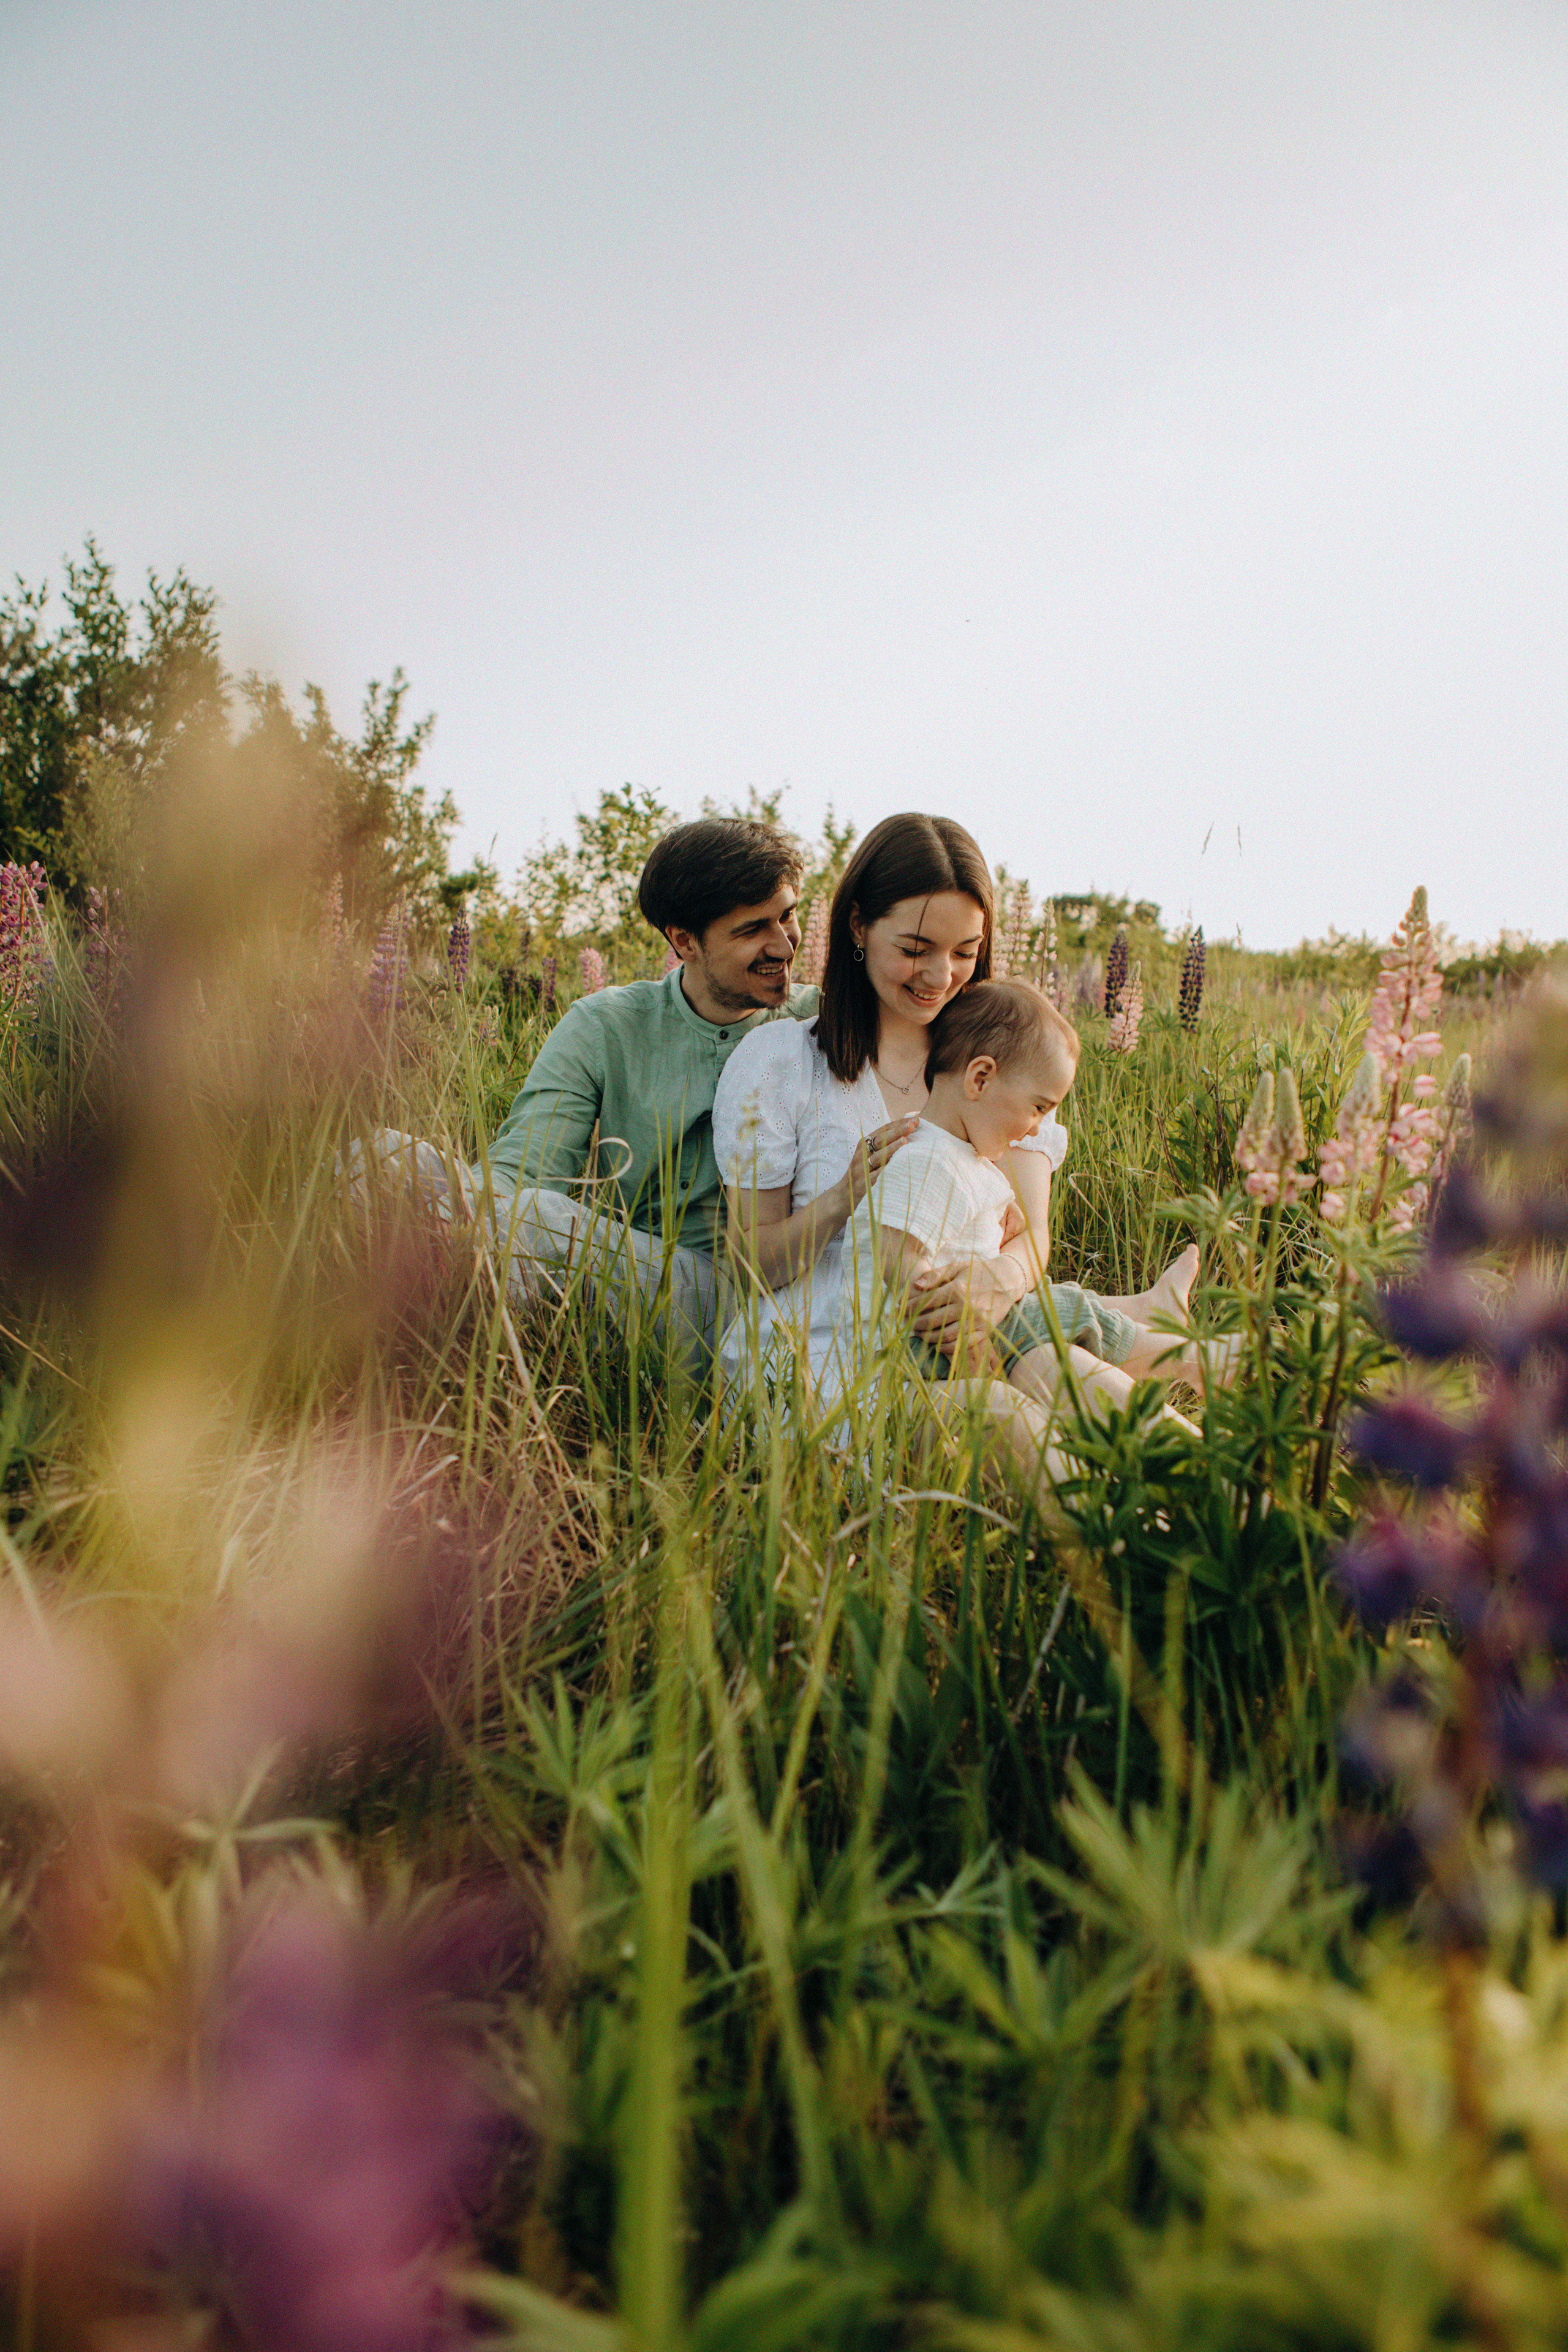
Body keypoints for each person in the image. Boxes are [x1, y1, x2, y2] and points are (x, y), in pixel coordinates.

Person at [712, 812, 1207, 1401]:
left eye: (965, 952)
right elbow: (748, 1265)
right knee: (1006, 1408)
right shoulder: (781, 1061)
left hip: (967, 1346)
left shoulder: (1009, 1066)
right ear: (858, 927)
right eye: (916, 949)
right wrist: (842, 1200)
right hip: (812, 1362)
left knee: (1063, 1378)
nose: (940, 976)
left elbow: (1034, 1237)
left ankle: (1207, 1441)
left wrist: (1004, 1276)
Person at [365, 817, 816, 1370]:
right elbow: (524, 1171)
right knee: (377, 1157)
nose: (783, 945)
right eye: (752, 931)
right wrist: (453, 1209)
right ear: (684, 941)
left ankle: (438, 1284)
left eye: (788, 916)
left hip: (743, 1297)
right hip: (619, 1272)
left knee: (530, 1221)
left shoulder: (823, 1021)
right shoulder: (607, 1023)